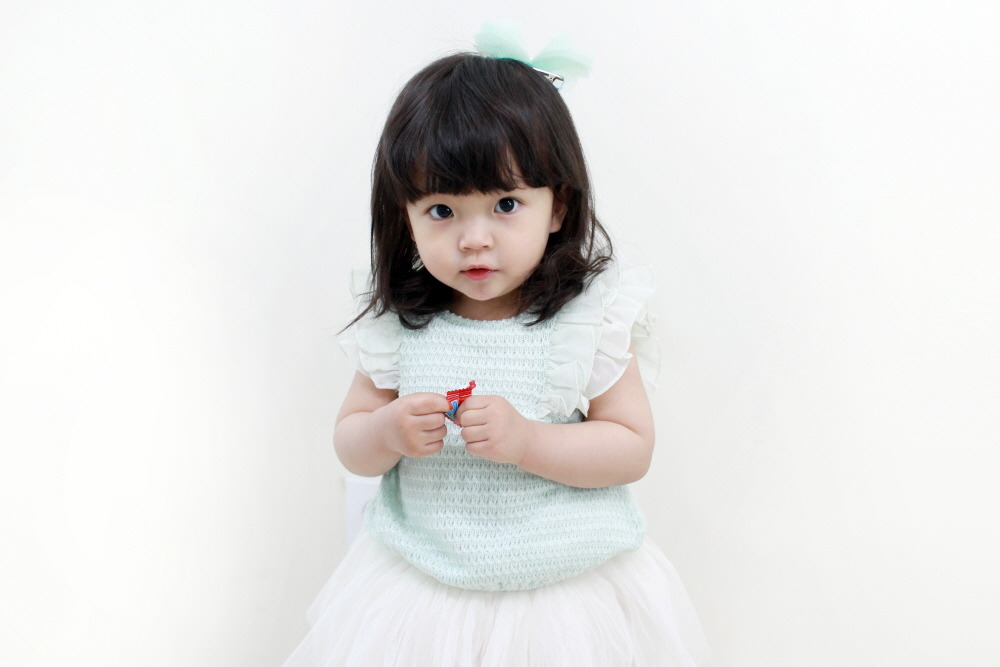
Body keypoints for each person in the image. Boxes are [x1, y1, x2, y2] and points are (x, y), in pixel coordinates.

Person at [283, 38, 709, 666]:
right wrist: (386, 430)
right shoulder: (400, 325)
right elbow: (350, 441)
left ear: (558, 206)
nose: (474, 239)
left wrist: (529, 441)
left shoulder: (586, 322)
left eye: (506, 205)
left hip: (564, 600)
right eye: (442, 210)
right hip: (424, 596)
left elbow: (630, 448)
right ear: (405, 217)